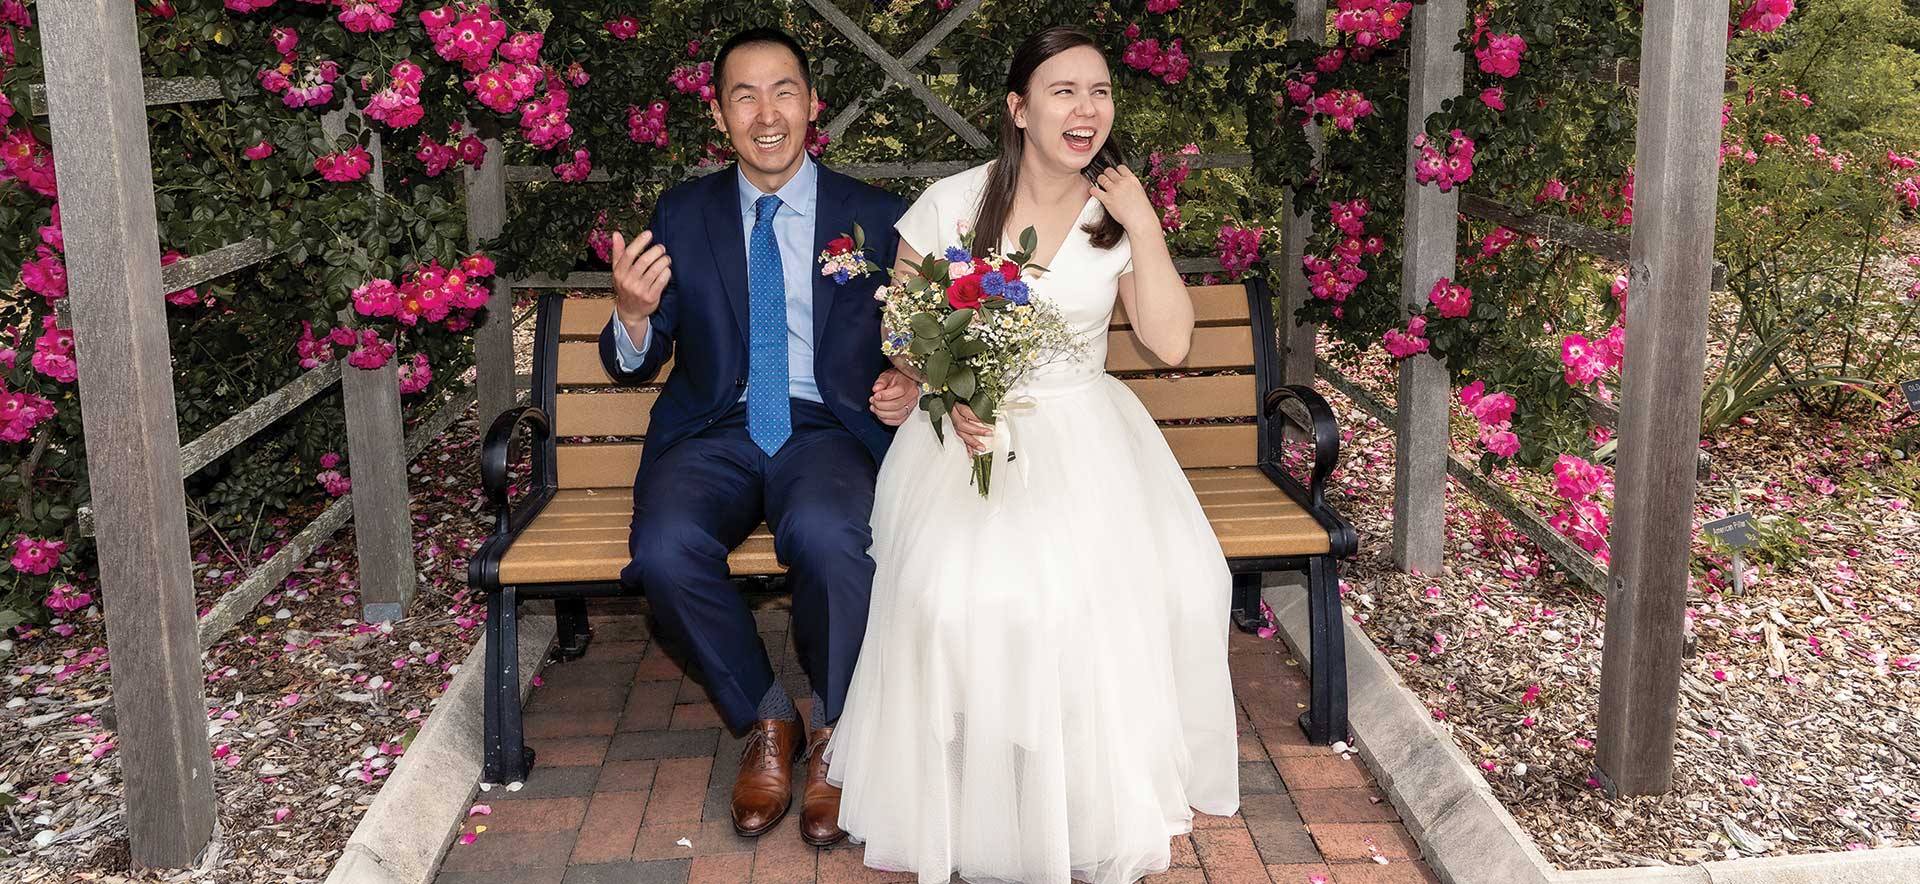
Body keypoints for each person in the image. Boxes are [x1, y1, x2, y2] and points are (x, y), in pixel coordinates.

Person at [827, 26, 1241, 884]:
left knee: (1113, 598)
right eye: (1062, 91)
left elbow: (1167, 343)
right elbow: (901, 326)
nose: (1085, 109)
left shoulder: (1115, 214)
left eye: (1098, 91)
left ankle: (1079, 788)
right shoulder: (953, 203)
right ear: (1019, 110)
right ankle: (967, 778)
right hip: (966, 434)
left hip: (1087, 437)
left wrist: (1146, 224)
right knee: (954, 599)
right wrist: (936, 386)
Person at [598, 27, 918, 847]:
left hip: (826, 427)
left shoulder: (876, 217)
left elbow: (918, 334)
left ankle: (836, 736)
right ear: (720, 112)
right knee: (664, 550)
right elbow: (643, 352)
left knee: (835, 536)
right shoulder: (684, 210)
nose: (766, 113)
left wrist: (910, 380)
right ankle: (768, 717)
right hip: (715, 428)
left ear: (813, 106)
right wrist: (632, 318)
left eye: (783, 91)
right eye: (745, 94)